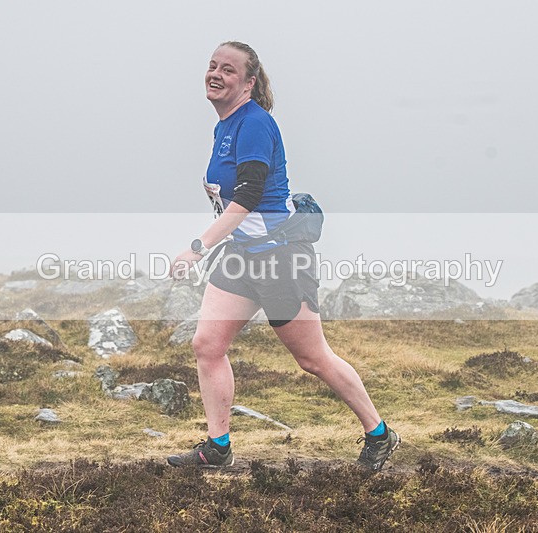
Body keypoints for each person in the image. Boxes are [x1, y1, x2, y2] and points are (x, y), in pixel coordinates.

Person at [167, 41, 398, 472]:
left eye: (229, 70)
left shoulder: (254, 123)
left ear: (249, 82)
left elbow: (250, 195)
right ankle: (218, 447)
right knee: (207, 344)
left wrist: (198, 248)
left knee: (312, 358)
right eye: (212, 66)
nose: (216, 74)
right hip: (242, 257)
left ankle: (380, 433)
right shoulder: (226, 125)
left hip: (280, 258)